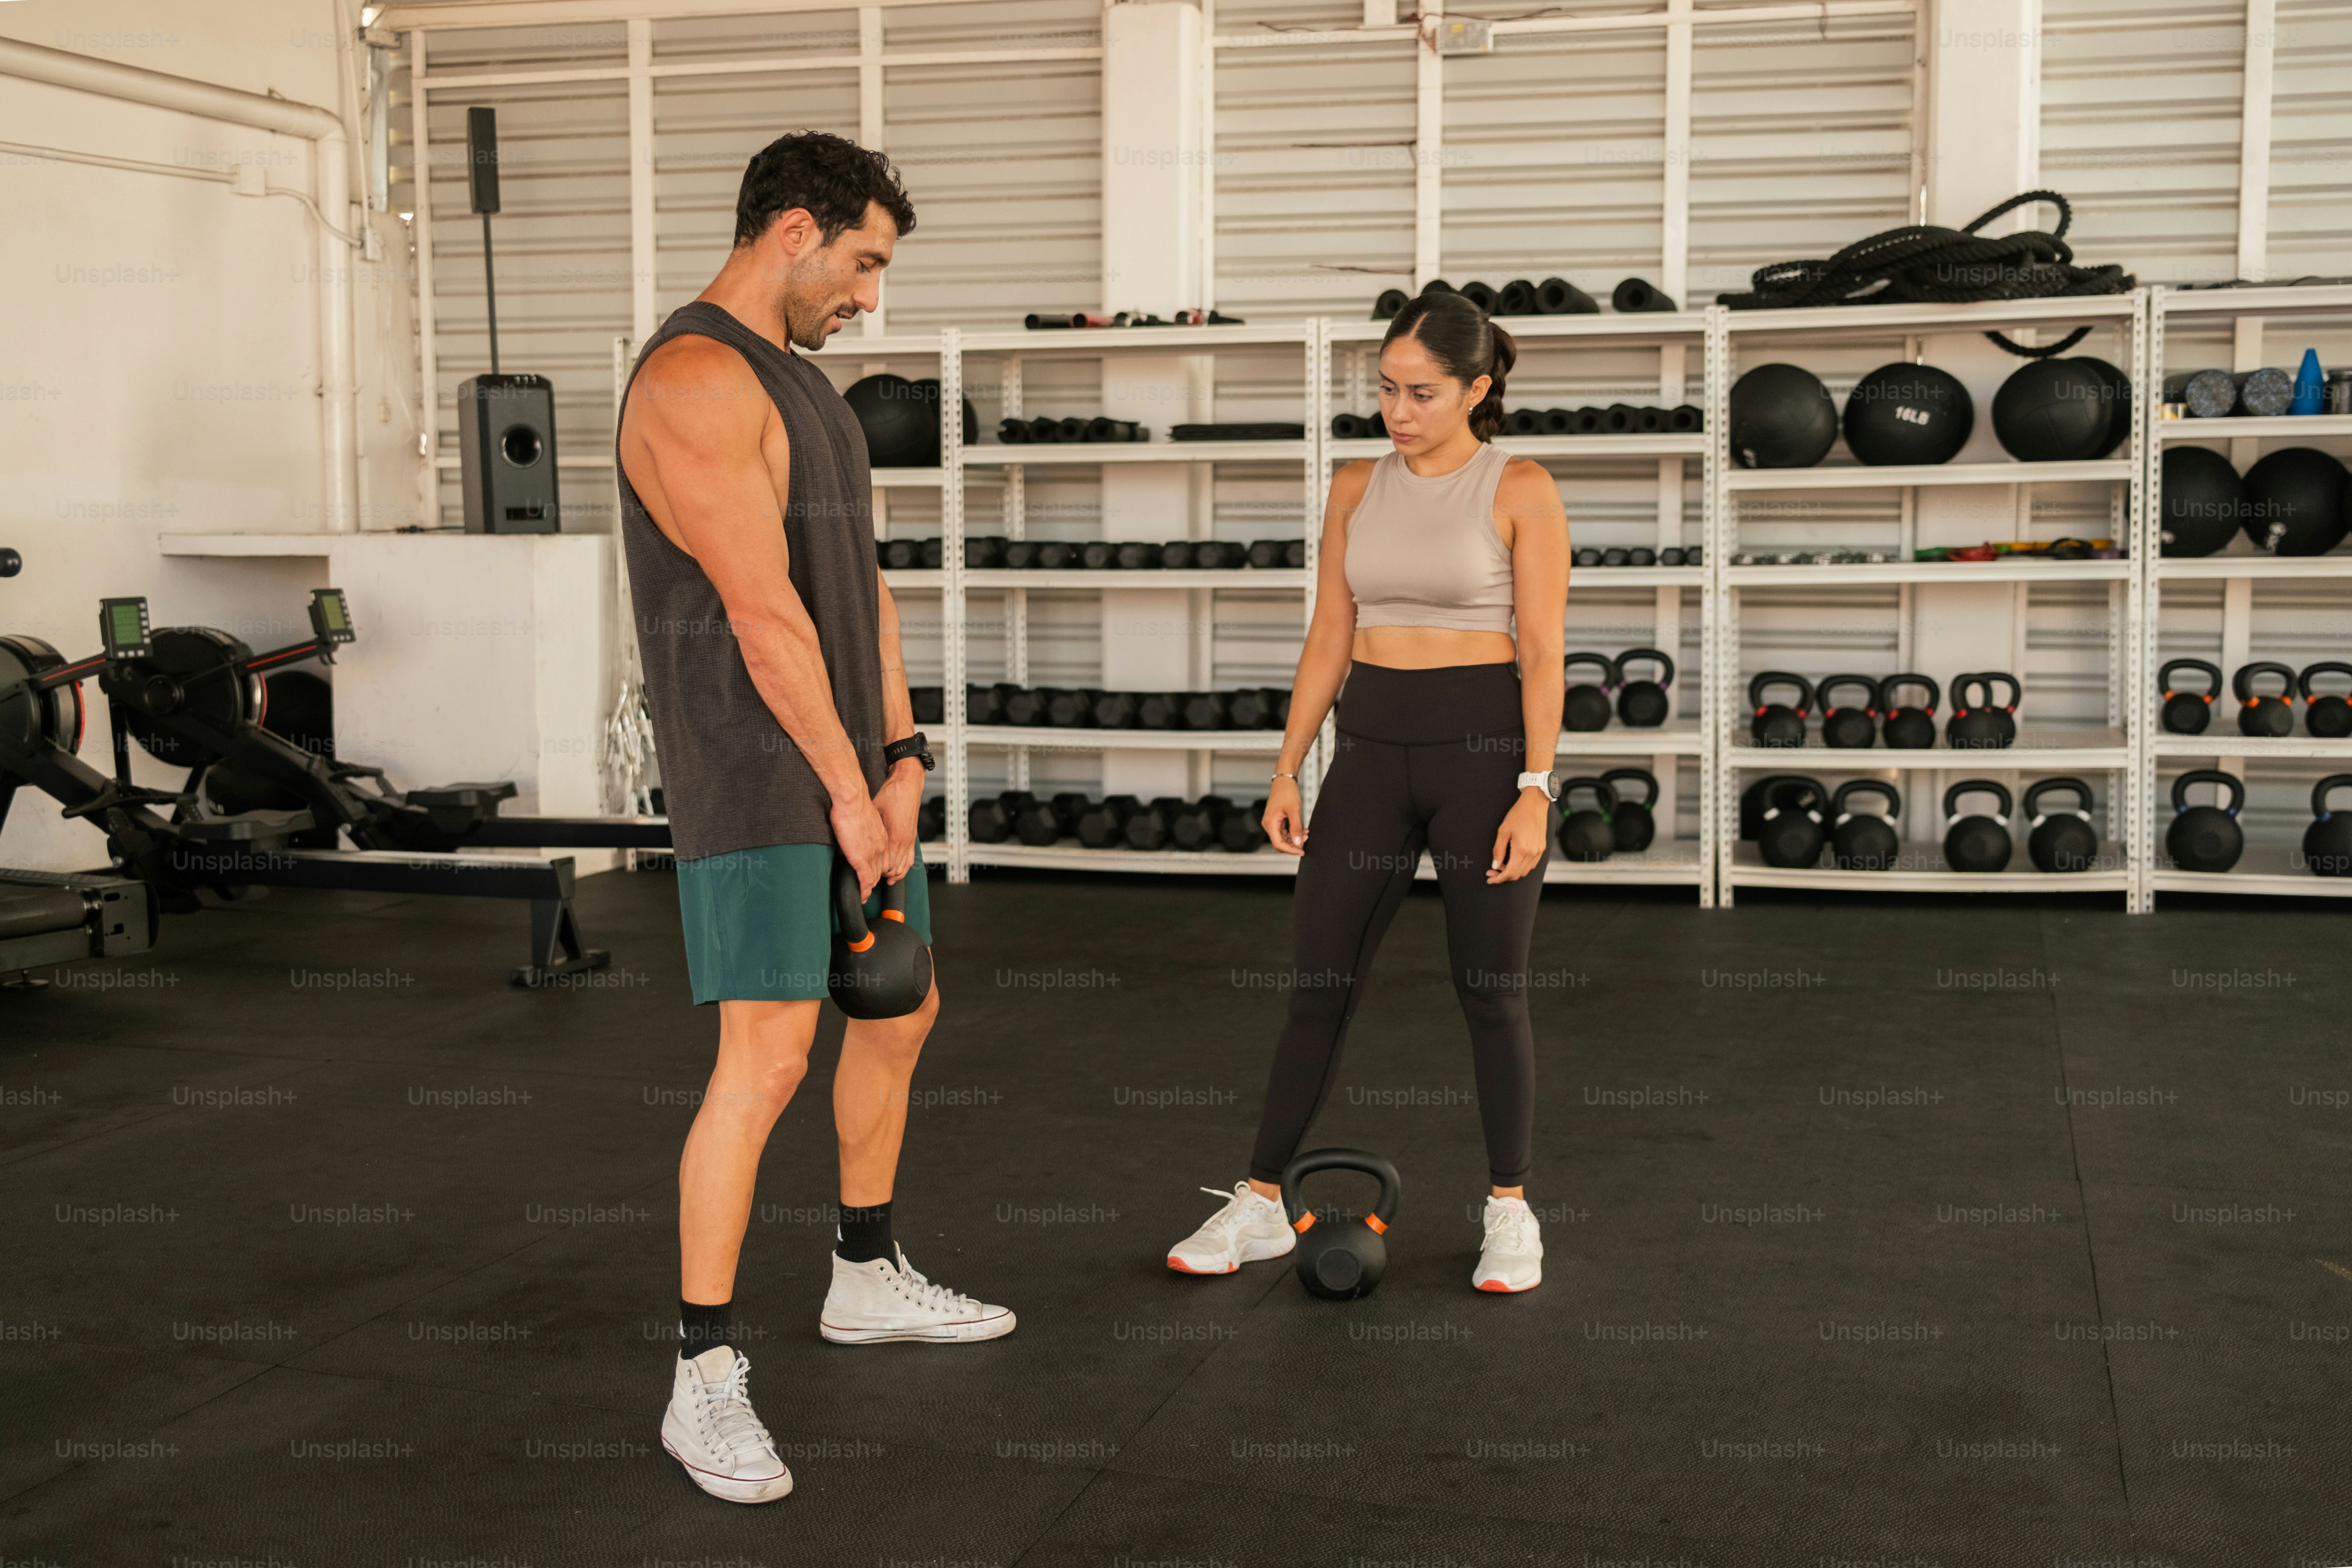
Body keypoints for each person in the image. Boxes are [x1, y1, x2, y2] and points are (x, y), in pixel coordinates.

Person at [617, 131, 1013, 1508]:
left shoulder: (810, 390)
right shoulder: (692, 378)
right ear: (795, 230)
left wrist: (903, 760)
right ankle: (702, 1373)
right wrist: (846, 790)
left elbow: (866, 592)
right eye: (863, 263)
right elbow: (762, 614)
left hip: (849, 764)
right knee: (770, 1057)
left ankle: (863, 1271)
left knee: (900, 1006)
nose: (869, 297)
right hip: (755, 765)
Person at [1165, 290, 1568, 1294]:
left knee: (1491, 990)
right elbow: (1330, 635)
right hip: (1371, 754)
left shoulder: (1520, 486)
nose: (1398, 410)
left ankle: (1510, 1209)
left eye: (1422, 393)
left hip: (1484, 758)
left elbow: (1544, 650)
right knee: (1318, 989)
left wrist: (1536, 787)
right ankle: (1261, 1202)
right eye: (1387, 389)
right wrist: (1288, 767)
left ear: (1476, 389)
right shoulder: (1356, 485)